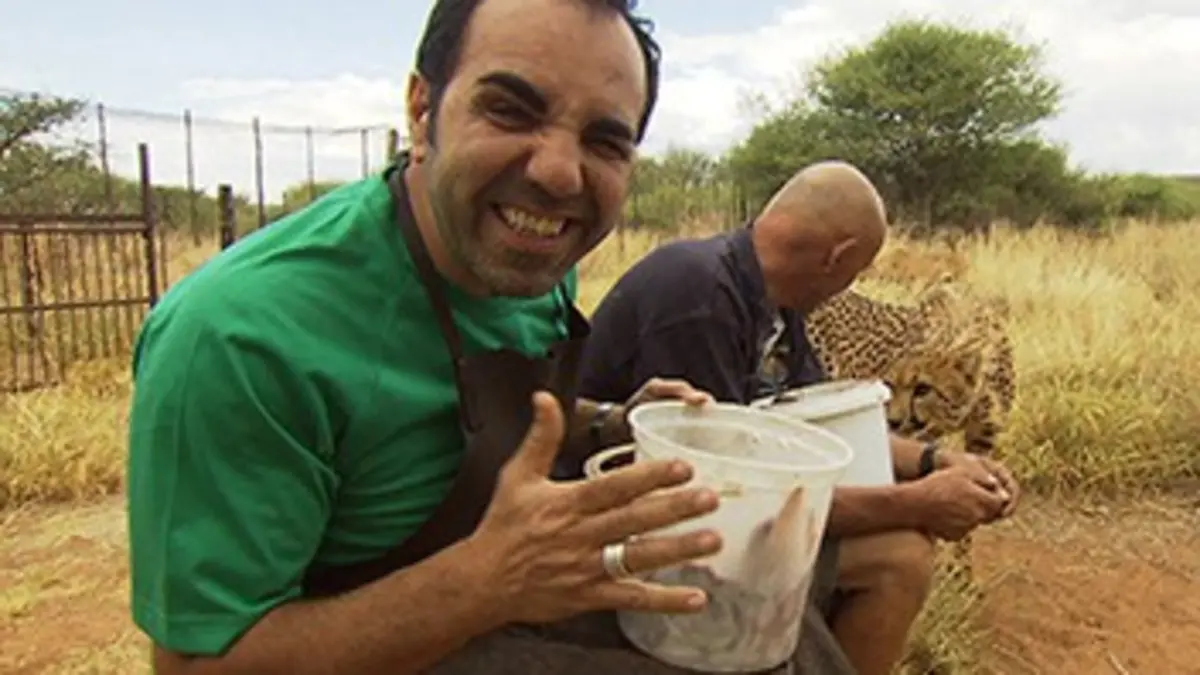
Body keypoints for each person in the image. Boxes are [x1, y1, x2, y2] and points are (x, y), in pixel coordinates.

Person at [124, 1, 859, 674]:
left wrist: (610, 420)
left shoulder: (530, 262)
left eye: (605, 141)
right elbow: (195, 666)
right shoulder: (239, 335)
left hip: (507, 607)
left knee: (771, 622)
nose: (558, 172)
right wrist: (486, 582)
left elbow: (464, 413)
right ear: (422, 111)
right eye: (510, 110)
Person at [573, 160, 1023, 675]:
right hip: (624, 531)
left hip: (701, 513)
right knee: (899, 560)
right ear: (839, 257)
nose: (849, 288)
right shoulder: (698, 298)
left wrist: (935, 460)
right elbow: (729, 503)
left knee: (898, 546)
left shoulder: (770, 303)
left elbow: (812, 430)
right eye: (856, 273)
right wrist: (916, 504)